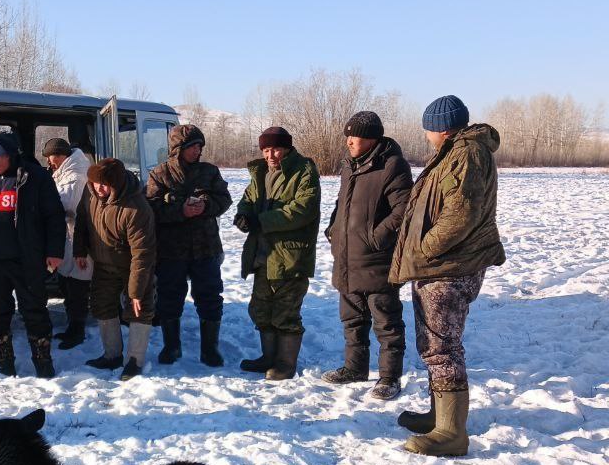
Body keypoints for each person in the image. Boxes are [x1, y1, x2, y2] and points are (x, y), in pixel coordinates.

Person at [389, 95, 505, 457]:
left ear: (440, 127)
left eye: (428, 127)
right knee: (433, 345)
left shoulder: (466, 154)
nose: (425, 134)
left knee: (442, 347)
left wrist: (424, 248)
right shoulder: (456, 153)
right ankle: (439, 417)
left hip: (450, 266)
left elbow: (461, 213)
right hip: (444, 264)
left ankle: (451, 433)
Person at [322, 111, 413, 399]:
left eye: (355, 136)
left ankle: (389, 377)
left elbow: (404, 208)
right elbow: (342, 202)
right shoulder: (349, 165)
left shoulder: (392, 165)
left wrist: (378, 236)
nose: (349, 141)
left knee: (386, 323)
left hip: (376, 260)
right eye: (347, 136)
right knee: (351, 319)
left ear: (371, 138)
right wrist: (334, 227)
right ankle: (355, 368)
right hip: (347, 257)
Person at [0, 130, 65, 378]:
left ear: (8, 155)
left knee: (34, 310)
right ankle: (4, 364)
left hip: (26, 258)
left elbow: (54, 217)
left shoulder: (34, 177)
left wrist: (54, 251)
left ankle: (43, 363)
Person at [233, 126, 321, 381]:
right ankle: (268, 357)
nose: (271, 155)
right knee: (261, 309)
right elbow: (249, 198)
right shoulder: (260, 172)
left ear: (287, 148)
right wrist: (244, 215)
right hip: (263, 255)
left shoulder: (303, 171)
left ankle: (285, 363)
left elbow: (303, 209)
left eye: (276, 149)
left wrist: (264, 221)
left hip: (290, 256)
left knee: (286, 313)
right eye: (266, 150)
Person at [145, 125, 232, 367]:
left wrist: (206, 206)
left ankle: (210, 348)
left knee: (210, 296)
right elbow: (151, 207)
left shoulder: (210, 171)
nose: (197, 151)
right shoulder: (159, 174)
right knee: (169, 296)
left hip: (206, 247)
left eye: (200, 146)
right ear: (177, 149)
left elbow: (224, 199)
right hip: (172, 249)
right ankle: (171, 347)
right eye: (192, 146)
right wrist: (180, 210)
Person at [73, 157, 157, 379]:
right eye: (95, 183)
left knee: (138, 308)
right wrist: (80, 251)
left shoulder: (136, 208)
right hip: (104, 263)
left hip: (133, 266)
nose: (99, 189)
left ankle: (134, 360)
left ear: (117, 183)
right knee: (101, 305)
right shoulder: (90, 193)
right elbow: (82, 220)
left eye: (104, 184)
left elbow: (142, 254)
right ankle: (112, 355)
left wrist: (137, 291)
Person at [43, 137, 93, 349]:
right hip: (69, 239)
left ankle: (77, 330)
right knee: (68, 284)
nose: (49, 162)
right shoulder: (66, 171)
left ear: (61, 155)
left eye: (51, 157)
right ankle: (73, 326)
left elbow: (66, 205)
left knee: (77, 288)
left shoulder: (75, 176)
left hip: (78, 240)